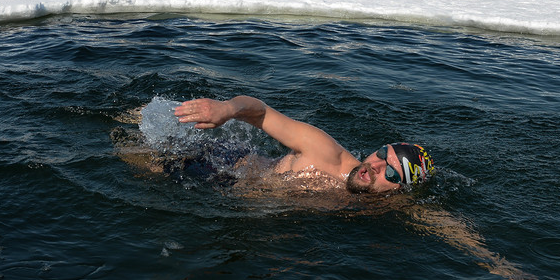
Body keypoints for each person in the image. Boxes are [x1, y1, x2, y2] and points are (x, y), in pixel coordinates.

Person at [174, 95, 435, 194]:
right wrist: (227, 108)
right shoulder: (324, 152)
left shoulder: (381, 203)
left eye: (390, 172)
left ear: (401, 190)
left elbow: (438, 222)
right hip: (217, 166)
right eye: (380, 154)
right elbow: (261, 112)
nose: (374, 166)